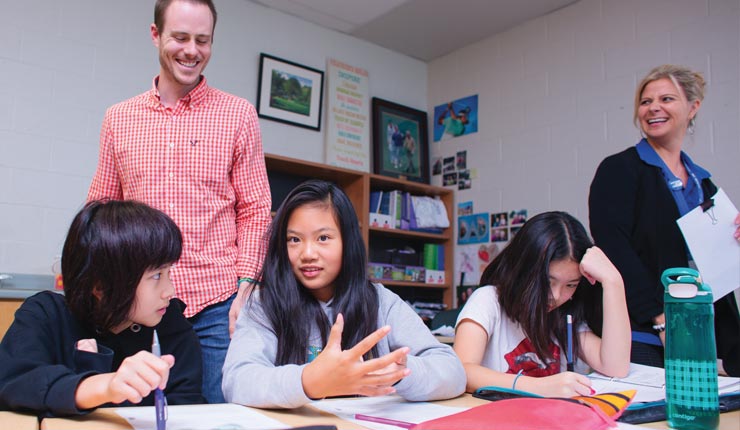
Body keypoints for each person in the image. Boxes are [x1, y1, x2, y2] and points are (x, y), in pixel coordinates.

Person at [86, 0, 272, 402]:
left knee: (219, 416)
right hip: (137, 307)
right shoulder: (119, 118)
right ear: (156, 35)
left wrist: (246, 286)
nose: (192, 50)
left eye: (202, 40)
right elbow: (100, 209)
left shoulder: (238, 115)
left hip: (217, 307)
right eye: (181, 37)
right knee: (135, 413)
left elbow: (256, 209)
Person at [222, 180, 465, 408]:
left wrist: (397, 372)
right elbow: (237, 381)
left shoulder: (381, 301)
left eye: (323, 238)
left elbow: (452, 372)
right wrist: (309, 380)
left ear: (348, 242)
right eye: (294, 239)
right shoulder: (264, 303)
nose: (307, 253)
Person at [589, 64, 740, 375]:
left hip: (707, 335)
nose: (654, 107)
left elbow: (715, 265)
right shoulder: (620, 170)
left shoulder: (704, 184)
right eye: (646, 102)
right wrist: (660, 321)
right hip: (646, 333)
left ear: (693, 107)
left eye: (667, 99)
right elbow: (615, 250)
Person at [0, 200, 203, 417]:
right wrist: (105, 387)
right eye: (156, 276)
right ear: (100, 286)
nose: (169, 290)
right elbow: (13, 384)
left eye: (168, 272)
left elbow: (186, 408)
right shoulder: (46, 315)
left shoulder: (170, 325)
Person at [453, 212, 630, 397]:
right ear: (523, 269)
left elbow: (615, 366)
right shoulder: (488, 300)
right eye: (548, 281)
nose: (556, 296)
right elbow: (462, 371)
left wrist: (613, 281)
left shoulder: (564, 315)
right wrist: (538, 387)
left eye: (571, 285)